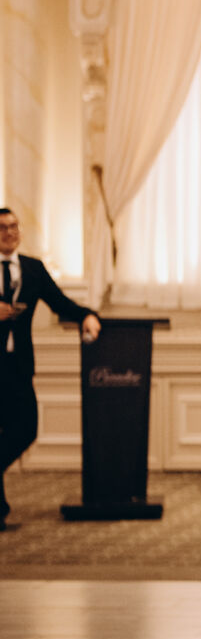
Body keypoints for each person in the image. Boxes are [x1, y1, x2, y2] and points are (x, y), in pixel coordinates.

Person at [0, 207, 100, 531]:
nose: (9, 233)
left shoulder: (32, 268)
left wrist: (87, 314)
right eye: (2, 228)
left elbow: (60, 302)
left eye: (13, 226)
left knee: (26, 429)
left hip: (18, 366)